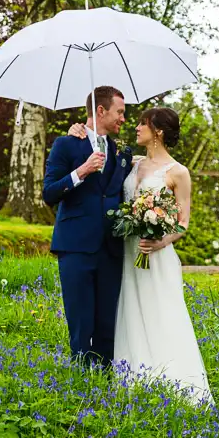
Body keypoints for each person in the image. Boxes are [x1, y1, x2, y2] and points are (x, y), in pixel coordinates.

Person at [68, 106, 213, 402]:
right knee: (128, 311)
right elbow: (99, 154)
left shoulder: (178, 172)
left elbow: (183, 222)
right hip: (127, 252)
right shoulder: (131, 162)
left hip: (156, 254)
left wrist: (160, 241)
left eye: (143, 123)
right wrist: (78, 131)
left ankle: (172, 381)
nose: (135, 127)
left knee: (160, 312)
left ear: (157, 131)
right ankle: (131, 377)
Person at [43, 86, 131, 368]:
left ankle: (104, 381)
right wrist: (81, 171)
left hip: (111, 246)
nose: (123, 119)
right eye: (120, 112)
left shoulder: (120, 152)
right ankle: (80, 383)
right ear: (101, 111)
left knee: (107, 321)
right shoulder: (66, 144)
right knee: (80, 321)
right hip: (76, 245)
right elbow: (49, 194)